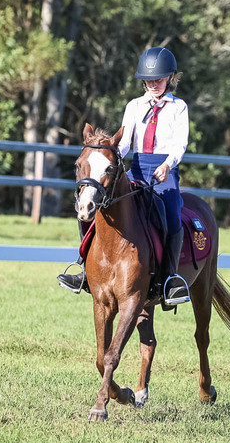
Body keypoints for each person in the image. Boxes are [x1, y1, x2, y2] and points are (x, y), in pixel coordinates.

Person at [58, 46, 191, 305]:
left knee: (172, 216)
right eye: (149, 80)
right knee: (95, 208)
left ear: (170, 78)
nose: (153, 84)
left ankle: (170, 280)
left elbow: (180, 144)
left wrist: (168, 165)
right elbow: (126, 142)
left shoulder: (179, 107)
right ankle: (85, 270)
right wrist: (107, 156)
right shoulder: (134, 106)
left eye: (159, 79)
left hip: (165, 173)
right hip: (137, 169)